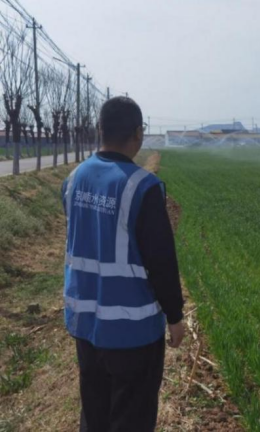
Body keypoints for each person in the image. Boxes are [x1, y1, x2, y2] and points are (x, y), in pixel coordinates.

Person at [62, 97, 185, 432]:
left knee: (95, 415)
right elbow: (161, 260)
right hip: (133, 333)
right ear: (138, 134)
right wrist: (175, 316)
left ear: (99, 130)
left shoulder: (73, 180)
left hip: (85, 326)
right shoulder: (143, 187)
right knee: (132, 419)